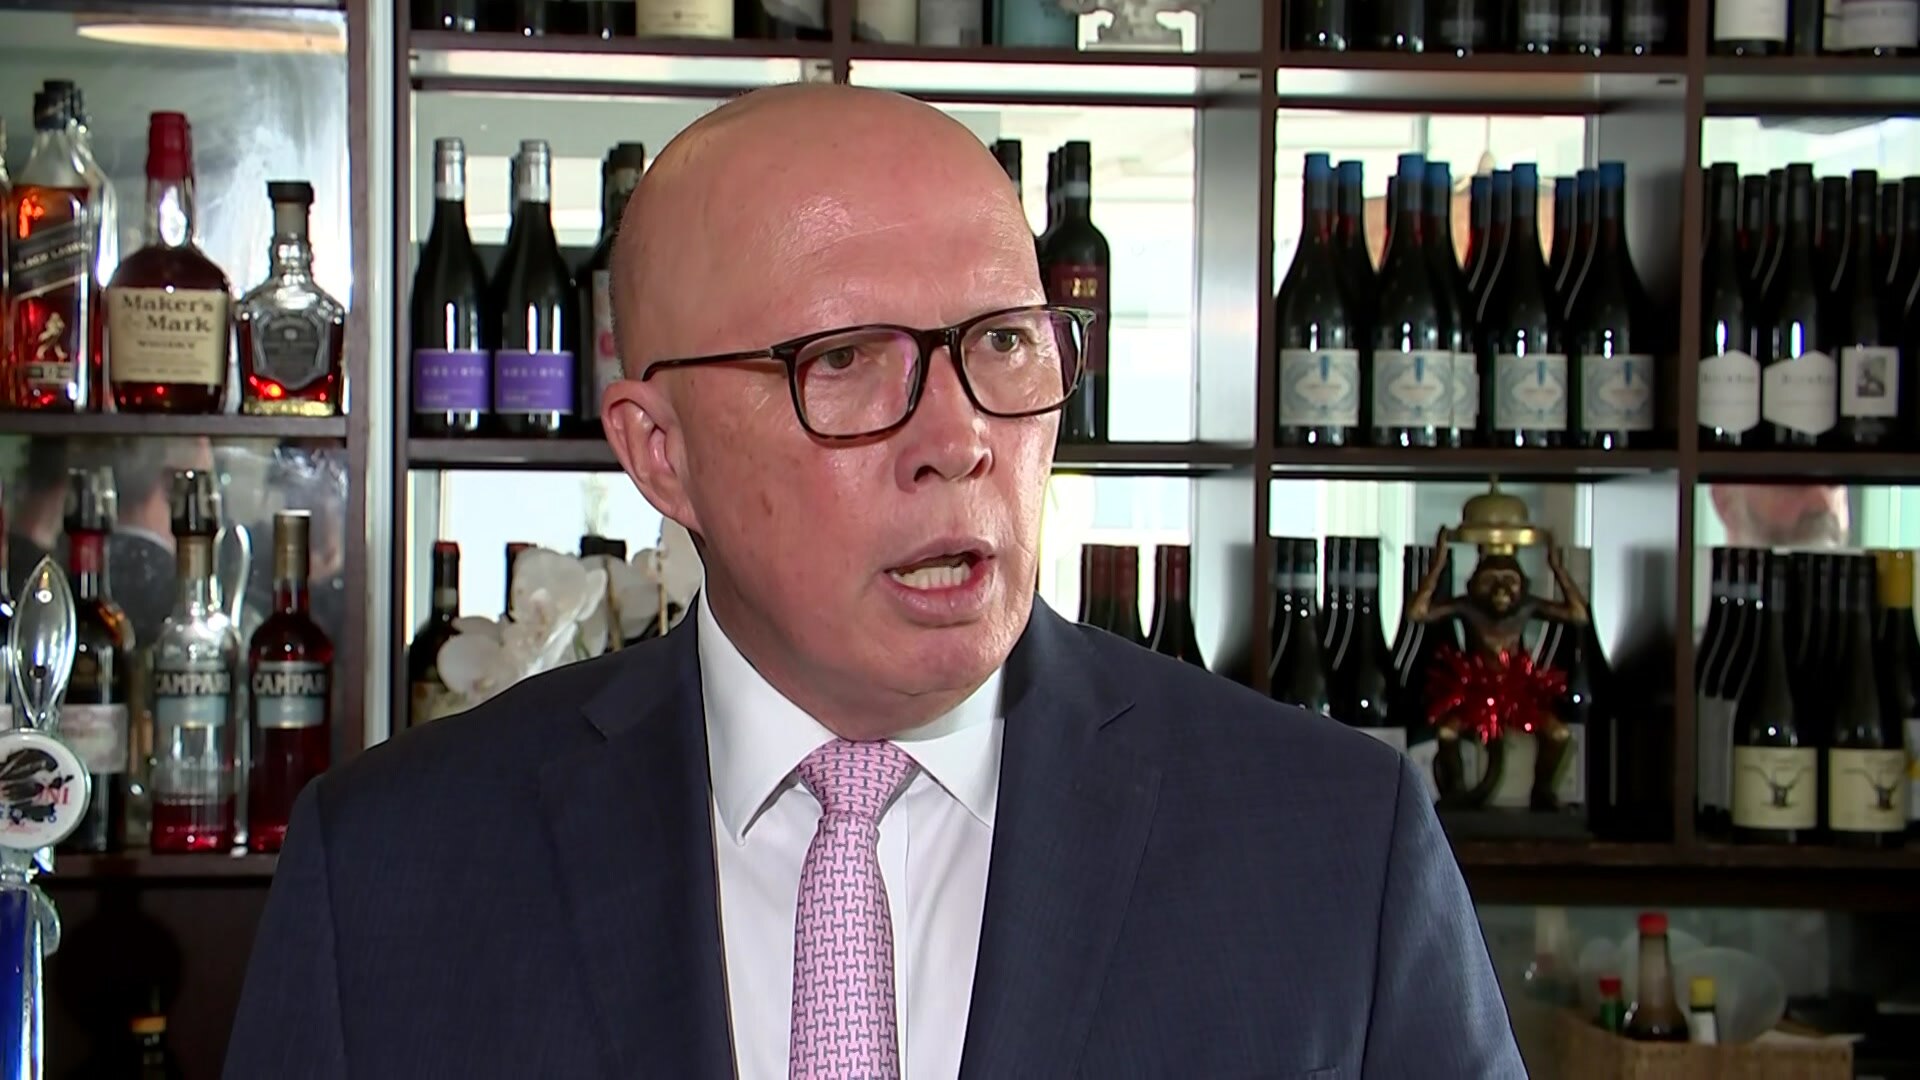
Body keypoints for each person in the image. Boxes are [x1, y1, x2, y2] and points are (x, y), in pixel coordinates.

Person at [226, 85, 1523, 1079]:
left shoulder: (1334, 843)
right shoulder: (392, 871)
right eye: (843, 359)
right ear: (660, 453)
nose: (959, 437)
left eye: (1003, 342)